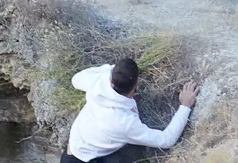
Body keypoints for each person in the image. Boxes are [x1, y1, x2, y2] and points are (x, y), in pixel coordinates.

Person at [62, 59, 199, 162]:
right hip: (85, 159)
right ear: (136, 86)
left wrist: (109, 70)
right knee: (134, 152)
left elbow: (76, 79)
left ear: (111, 79)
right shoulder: (124, 123)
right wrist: (185, 106)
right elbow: (166, 140)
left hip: (74, 149)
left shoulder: (98, 81)